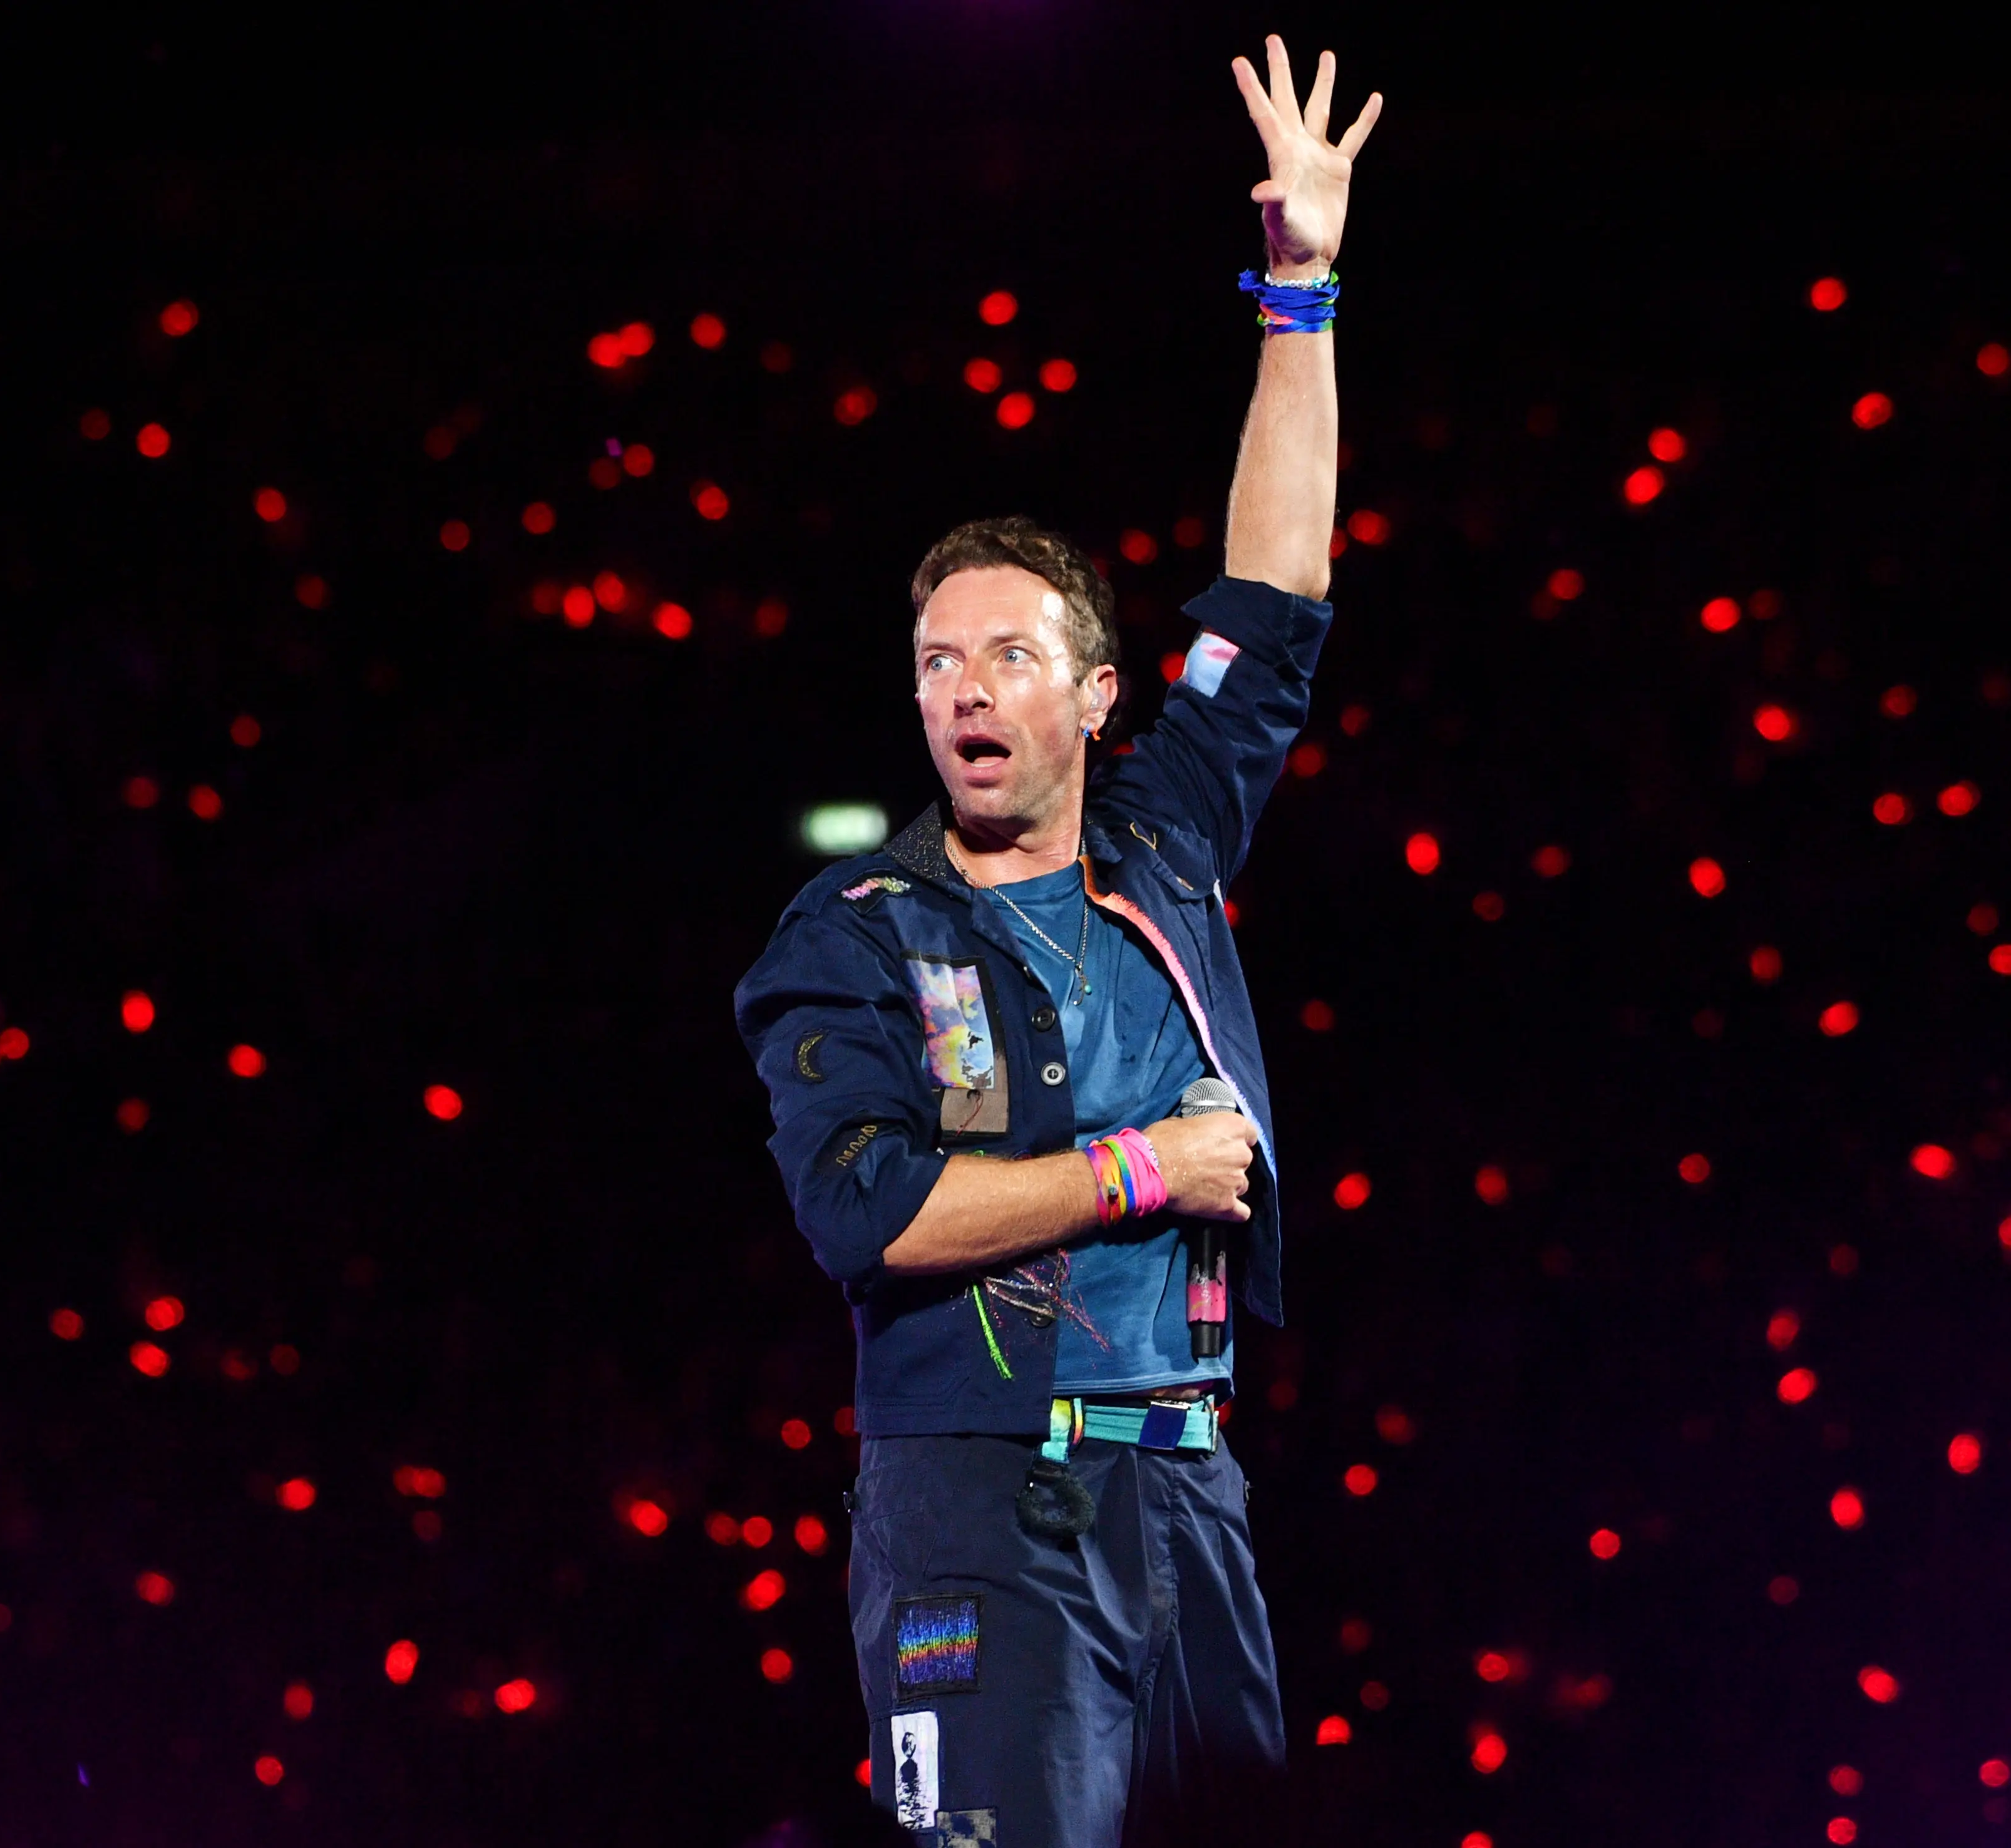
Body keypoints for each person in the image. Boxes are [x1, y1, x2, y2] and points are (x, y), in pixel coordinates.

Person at [733, 36, 1377, 1846]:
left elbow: (1277, 591)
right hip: (978, 1510)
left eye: (1007, 656)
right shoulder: (854, 932)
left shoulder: (1163, 843)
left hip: (1187, 1496)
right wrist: (1142, 1168)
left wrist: (1300, 290)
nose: (964, 691)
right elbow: (868, 1211)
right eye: (936, 662)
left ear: (1095, 696)